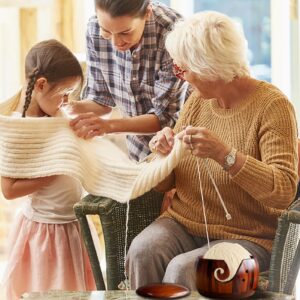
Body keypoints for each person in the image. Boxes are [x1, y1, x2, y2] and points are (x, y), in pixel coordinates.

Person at [126, 11, 298, 290]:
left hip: (252, 240)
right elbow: (168, 182)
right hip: (184, 223)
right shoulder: (197, 101)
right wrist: (163, 155)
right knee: (142, 250)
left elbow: (284, 190)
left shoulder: (273, 107)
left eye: (184, 69)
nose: (181, 78)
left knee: (185, 270)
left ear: (210, 67)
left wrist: (225, 155)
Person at [0, 39, 96, 299]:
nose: (66, 101)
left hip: (73, 225)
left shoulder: (56, 115)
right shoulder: (18, 127)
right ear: (41, 85)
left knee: (78, 292)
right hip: (45, 231)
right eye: (63, 93)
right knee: (49, 292)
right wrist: (55, 169)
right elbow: (8, 190)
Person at [69, 0, 189, 162]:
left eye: (125, 32)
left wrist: (109, 127)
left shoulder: (173, 33)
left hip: (179, 148)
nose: (115, 42)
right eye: (106, 32)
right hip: (137, 152)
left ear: (147, 12)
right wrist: (66, 106)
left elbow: (164, 118)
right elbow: (101, 102)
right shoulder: (93, 29)